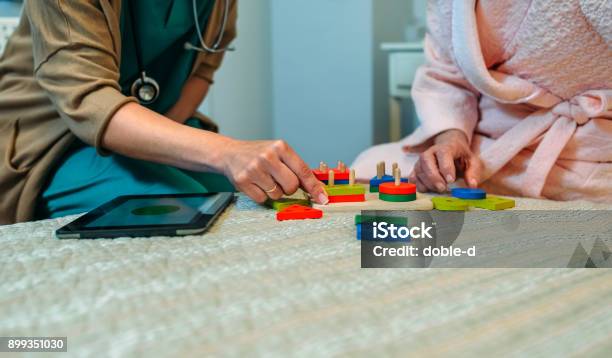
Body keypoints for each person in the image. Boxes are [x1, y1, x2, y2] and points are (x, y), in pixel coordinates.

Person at [0, 0, 328, 224]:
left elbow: (203, 69)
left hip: (154, 124)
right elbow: (87, 100)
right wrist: (228, 153)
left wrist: (159, 146)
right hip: (52, 138)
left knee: (247, 203)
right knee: (185, 209)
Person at [353, 0, 611, 202]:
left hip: (588, 155)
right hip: (487, 150)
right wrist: (451, 139)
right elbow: (449, 75)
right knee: (370, 165)